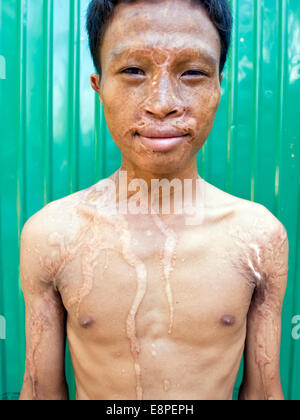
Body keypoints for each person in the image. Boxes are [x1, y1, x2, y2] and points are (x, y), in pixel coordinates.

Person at [19, 0, 289, 400]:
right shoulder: (52, 236)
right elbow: (40, 392)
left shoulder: (259, 238)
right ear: (99, 86)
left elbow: (265, 392)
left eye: (193, 72)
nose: (162, 103)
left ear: (218, 86)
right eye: (132, 70)